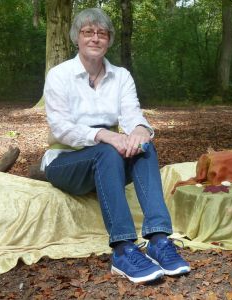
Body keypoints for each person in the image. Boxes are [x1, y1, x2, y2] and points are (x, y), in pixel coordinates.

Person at [40, 7, 190, 283]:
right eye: (88, 32)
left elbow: (132, 114)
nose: (95, 38)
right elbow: (61, 127)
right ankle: (122, 249)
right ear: (77, 38)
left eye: (102, 33)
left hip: (106, 158)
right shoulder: (59, 75)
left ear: (108, 39)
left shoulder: (121, 76)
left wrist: (141, 130)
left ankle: (158, 239)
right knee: (107, 151)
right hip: (65, 162)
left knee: (145, 148)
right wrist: (105, 135)